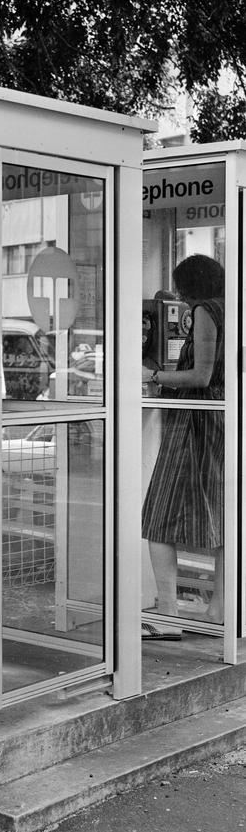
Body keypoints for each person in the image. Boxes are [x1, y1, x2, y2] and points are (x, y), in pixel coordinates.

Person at [141, 253, 225, 640]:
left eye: (179, 286)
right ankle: (218, 612)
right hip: (224, 421)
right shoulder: (233, 307)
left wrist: (155, 374)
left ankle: (166, 614)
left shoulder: (206, 311)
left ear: (190, 286)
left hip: (196, 420)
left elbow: (203, 375)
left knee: (158, 515)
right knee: (226, 516)